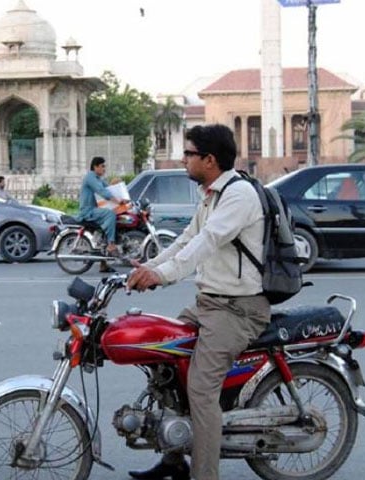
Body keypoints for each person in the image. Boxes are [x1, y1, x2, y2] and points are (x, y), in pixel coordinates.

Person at [126, 124, 271, 480]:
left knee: (201, 389)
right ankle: (174, 460)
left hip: (238, 309)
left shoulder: (239, 196)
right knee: (165, 366)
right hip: (209, 304)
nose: (183, 159)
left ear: (209, 159)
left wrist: (163, 276)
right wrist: (149, 266)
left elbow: (206, 242)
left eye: (189, 154)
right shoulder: (212, 195)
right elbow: (185, 240)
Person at [78, 156, 126, 273]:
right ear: (95, 167)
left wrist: (122, 195)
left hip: (95, 210)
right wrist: (117, 200)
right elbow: (102, 192)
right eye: (102, 166)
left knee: (114, 218)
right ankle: (111, 244)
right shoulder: (91, 177)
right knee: (110, 214)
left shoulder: (98, 178)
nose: (104, 169)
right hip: (88, 210)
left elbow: (108, 188)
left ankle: (103, 264)